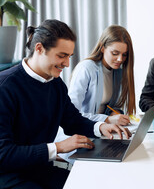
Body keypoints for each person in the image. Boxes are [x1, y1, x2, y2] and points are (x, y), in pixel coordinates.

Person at [0, 20, 130, 189]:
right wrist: (58, 147)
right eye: (62, 56)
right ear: (39, 49)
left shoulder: (55, 83)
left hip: (39, 170)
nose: (67, 64)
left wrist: (100, 127)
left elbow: (72, 120)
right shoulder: (5, 87)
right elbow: (3, 154)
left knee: (95, 183)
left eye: (69, 56)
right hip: (9, 175)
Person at [68, 25, 135, 126]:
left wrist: (114, 114)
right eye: (115, 53)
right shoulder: (86, 68)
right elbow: (70, 114)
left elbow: (110, 107)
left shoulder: (117, 73)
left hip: (103, 130)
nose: (120, 59)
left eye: (124, 54)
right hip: (84, 130)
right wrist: (107, 119)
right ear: (102, 48)